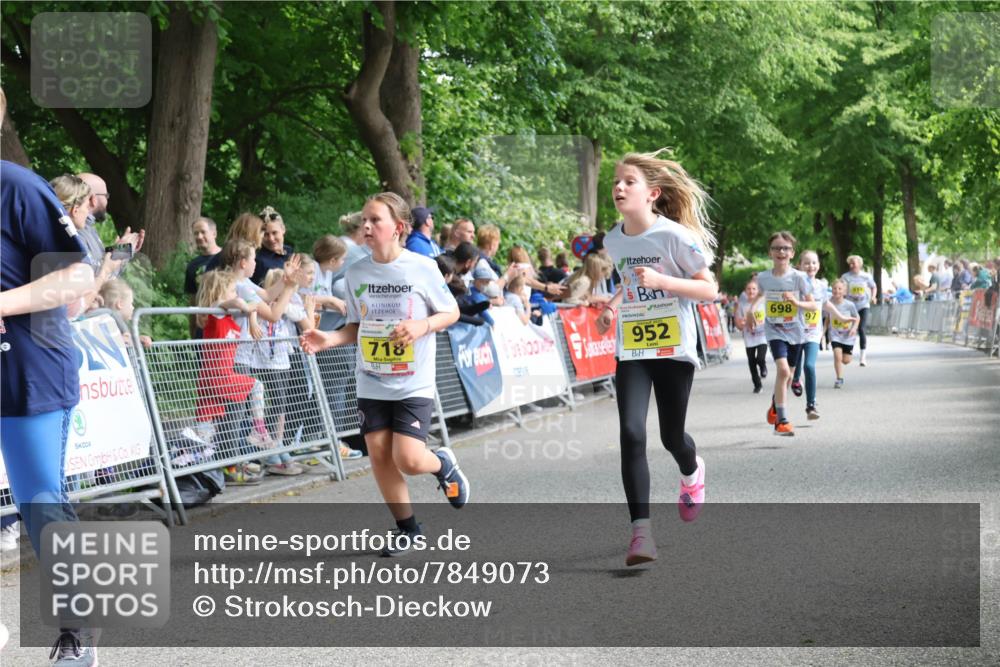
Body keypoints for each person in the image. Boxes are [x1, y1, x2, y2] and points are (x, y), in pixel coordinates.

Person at [300, 192, 467, 557]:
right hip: (371, 378)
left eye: (375, 220)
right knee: (378, 455)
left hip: (413, 380)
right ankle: (408, 529)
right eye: (364, 219)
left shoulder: (422, 267)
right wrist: (329, 338)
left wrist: (422, 325)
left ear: (398, 228)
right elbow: (356, 327)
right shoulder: (355, 273)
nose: (366, 225)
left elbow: (451, 312)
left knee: (409, 458)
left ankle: (441, 463)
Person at [594, 150, 718, 567]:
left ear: (652, 193)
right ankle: (641, 534)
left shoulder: (675, 236)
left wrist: (664, 280)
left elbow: (709, 289)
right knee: (631, 433)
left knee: (671, 437)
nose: (619, 187)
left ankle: (692, 470)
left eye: (629, 181)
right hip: (633, 348)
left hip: (674, 348)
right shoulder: (613, 239)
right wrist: (612, 307)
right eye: (616, 181)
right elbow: (630, 282)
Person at [1, 144, 97, 662]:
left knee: (39, 502)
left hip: (28, 368)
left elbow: (77, 276)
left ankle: (77, 630)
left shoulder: (16, 186)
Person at [756, 231, 818, 436]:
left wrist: (796, 302)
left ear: (792, 253)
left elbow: (812, 305)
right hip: (774, 330)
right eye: (776, 248)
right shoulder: (763, 278)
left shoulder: (799, 278)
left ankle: (775, 405)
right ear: (770, 252)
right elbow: (758, 297)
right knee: (783, 371)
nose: (781, 251)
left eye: (786, 248)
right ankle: (781, 422)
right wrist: (750, 312)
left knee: (789, 376)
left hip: (796, 332)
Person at [791, 250, 829, 419]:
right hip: (796, 332)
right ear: (799, 265)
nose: (810, 266)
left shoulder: (821, 285)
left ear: (818, 266)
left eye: (814, 262)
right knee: (795, 366)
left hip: (813, 333)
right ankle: (795, 380)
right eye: (806, 263)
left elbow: (825, 305)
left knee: (809, 366)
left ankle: (811, 406)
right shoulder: (793, 285)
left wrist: (842, 316)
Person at [185, 216, 222, 337]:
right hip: (203, 324)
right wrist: (193, 327)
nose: (199, 236)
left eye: (203, 232)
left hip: (226, 322)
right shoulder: (193, 265)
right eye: (196, 233)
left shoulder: (228, 257)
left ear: (214, 233)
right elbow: (192, 298)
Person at [841, 255, 877, 366]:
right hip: (850, 306)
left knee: (861, 329)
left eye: (854, 263)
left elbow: (873, 286)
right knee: (849, 330)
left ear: (860, 264)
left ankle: (862, 357)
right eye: (850, 263)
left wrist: (873, 297)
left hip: (863, 305)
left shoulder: (866, 276)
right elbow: (841, 288)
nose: (852, 265)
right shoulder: (845, 276)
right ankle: (847, 352)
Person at [734, 280, 767, 394]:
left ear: (758, 291)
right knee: (752, 362)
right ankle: (757, 385)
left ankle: (763, 366)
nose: (751, 291)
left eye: (754, 289)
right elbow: (739, 324)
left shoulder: (763, 304)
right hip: (749, 337)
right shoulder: (742, 306)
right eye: (749, 289)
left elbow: (770, 319)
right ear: (745, 291)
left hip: (762, 336)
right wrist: (743, 322)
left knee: (760, 358)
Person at [827, 279, 861, 388]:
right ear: (832, 290)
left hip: (848, 336)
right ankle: (839, 378)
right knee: (837, 356)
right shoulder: (828, 303)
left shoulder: (849, 305)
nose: (837, 291)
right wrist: (823, 332)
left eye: (840, 289)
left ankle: (844, 358)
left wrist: (854, 328)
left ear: (844, 291)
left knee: (846, 360)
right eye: (835, 288)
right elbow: (827, 318)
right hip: (835, 334)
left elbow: (857, 318)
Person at [253, 206, 294, 284]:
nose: (271, 239)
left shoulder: (290, 252)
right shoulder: (259, 262)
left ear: (283, 229)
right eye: (266, 234)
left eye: (274, 233)